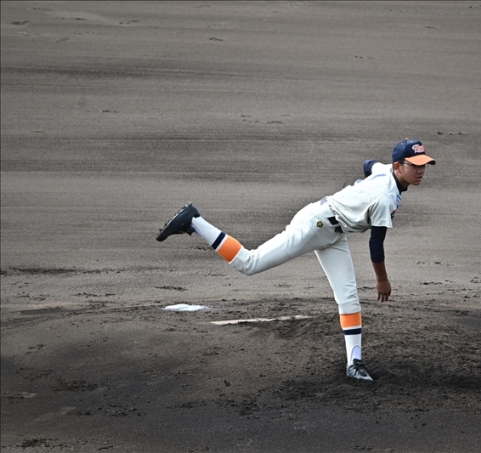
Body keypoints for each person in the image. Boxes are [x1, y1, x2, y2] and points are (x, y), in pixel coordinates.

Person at [156, 138, 436, 381]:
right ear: (398, 166)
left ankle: (355, 363)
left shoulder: (385, 171)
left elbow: (368, 164)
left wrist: (358, 192)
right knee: (249, 263)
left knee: (348, 297)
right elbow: (376, 244)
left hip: (334, 233)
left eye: (423, 164)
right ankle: (194, 221)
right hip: (314, 225)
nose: (421, 170)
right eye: (414, 165)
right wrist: (382, 280)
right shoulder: (386, 197)